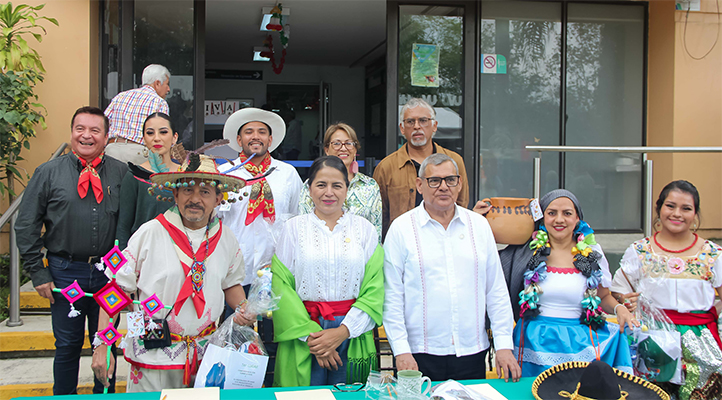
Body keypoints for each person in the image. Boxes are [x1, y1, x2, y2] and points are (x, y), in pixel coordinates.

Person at [91, 154, 255, 392]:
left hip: (206, 357)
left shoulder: (227, 238)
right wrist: (102, 346)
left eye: (205, 192)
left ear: (219, 199)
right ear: (175, 194)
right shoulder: (149, 233)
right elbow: (115, 291)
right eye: (187, 190)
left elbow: (231, 284)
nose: (195, 199)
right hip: (151, 356)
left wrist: (246, 309)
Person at [15, 106, 127, 395]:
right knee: (67, 346)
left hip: (109, 273)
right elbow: (26, 224)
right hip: (65, 272)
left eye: (94, 130)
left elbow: (130, 225)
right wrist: (38, 273)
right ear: (72, 132)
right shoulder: (48, 172)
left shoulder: (120, 173)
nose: (86, 136)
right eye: (80, 129)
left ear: (106, 137)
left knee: (107, 342)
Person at [382, 153, 520, 382]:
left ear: (460, 184)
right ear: (419, 185)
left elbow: (495, 289)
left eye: (450, 180)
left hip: (471, 351)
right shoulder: (401, 229)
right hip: (419, 353)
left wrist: (504, 344)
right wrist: (401, 349)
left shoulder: (479, 226)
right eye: (434, 181)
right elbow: (392, 296)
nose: (443, 187)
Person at [272, 156, 384, 387]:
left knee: (351, 391)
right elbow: (281, 287)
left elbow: (375, 289)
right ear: (309, 188)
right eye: (321, 185)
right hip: (302, 332)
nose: (329, 192)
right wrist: (315, 340)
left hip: (352, 332)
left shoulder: (365, 230)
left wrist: (343, 331)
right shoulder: (293, 229)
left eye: (337, 185)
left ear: (347, 189)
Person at [611, 180, 722, 400]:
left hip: (701, 343)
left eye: (686, 208)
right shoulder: (640, 251)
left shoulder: (712, 254)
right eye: (670, 206)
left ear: (695, 214)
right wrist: (627, 301)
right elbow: (617, 291)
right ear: (659, 208)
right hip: (653, 342)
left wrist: (711, 316)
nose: (677, 214)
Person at [509, 189, 637, 377]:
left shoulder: (592, 253)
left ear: (577, 218)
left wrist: (620, 309)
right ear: (542, 218)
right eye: (552, 213)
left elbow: (602, 297)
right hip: (535, 341)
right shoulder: (527, 253)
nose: (559, 220)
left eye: (567, 213)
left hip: (580, 342)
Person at [217, 107, 303, 385]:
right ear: (239, 139)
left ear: (270, 139)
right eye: (249, 131)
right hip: (234, 276)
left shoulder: (287, 174)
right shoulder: (224, 173)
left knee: (275, 342)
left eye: (262, 132)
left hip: (273, 274)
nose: (256, 136)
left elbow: (296, 219)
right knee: (236, 341)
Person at [373, 98, 469, 239]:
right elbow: (380, 217)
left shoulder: (454, 161)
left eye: (423, 120)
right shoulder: (386, 167)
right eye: (410, 122)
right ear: (402, 128)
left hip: (446, 241)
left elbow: (462, 205)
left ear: (434, 126)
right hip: (404, 245)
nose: (417, 126)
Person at [298, 123, 382, 240]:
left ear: (355, 149)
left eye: (349, 143)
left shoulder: (369, 185)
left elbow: (376, 230)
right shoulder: (312, 184)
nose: (343, 148)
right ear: (327, 150)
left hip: (361, 254)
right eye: (336, 143)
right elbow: (303, 225)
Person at [115, 112, 180, 249]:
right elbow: (123, 226)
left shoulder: (187, 175)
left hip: (181, 254)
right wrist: (123, 266)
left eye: (163, 132)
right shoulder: (135, 175)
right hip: (143, 254)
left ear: (174, 137)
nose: (157, 138)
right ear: (144, 139)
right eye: (150, 133)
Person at [104, 64, 171, 164]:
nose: (168, 89)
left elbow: (102, 124)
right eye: (167, 84)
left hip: (112, 151)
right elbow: (162, 134)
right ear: (157, 83)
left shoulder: (120, 97)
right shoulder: (159, 102)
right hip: (139, 154)